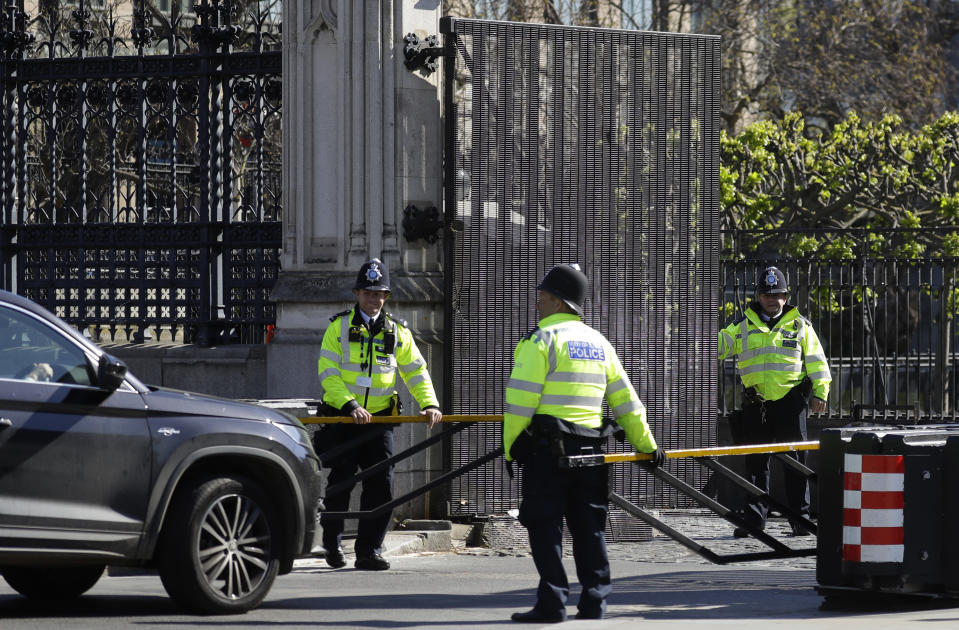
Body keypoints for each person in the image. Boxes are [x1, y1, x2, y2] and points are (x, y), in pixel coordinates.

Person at [503, 264, 665, 623]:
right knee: (590, 529)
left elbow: (520, 402)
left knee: (545, 528)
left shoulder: (540, 341)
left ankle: (553, 603)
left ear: (560, 302)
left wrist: (512, 446)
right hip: (593, 454)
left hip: (547, 454)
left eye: (542, 298)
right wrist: (647, 445)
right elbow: (626, 400)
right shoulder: (599, 342)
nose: (537, 304)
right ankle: (594, 602)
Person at [316, 258, 442, 570]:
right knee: (340, 484)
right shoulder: (339, 326)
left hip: (380, 421)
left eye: (380, 294)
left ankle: (369, 550)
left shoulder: (397, 331)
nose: (375, 300)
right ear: (357, 294)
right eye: (369, 293)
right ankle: (332, 543)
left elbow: (416, 371)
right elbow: (328, 374)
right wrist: (350, 405)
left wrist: (430, 403)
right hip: (343, 418)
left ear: (386, 297)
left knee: (382, 486)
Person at [718, 265, 831, 537]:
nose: (772, 299)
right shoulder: (741, 326)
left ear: (786, 296)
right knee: (756, 464)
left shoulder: (800, 326)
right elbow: (716, 347)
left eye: (778, 294)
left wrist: (820, 392)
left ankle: (800, 520)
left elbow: (817, 362)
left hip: (790, 403)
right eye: (767, 294)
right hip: (756, 405)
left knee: (795, 463)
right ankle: (755, 520)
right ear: (758, 296)